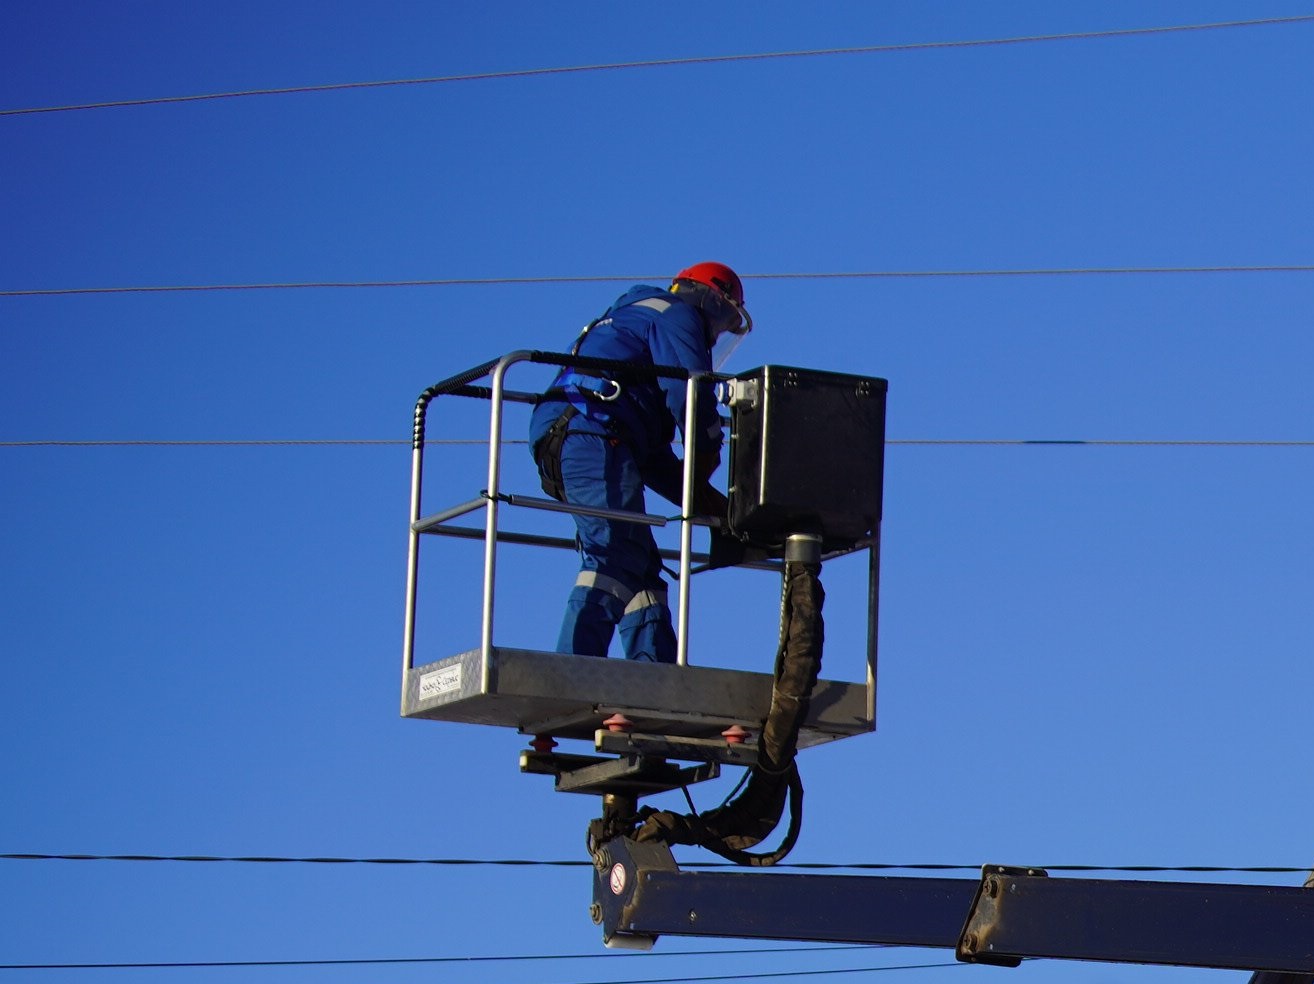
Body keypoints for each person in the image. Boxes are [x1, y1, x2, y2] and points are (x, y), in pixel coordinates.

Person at [529, 262, 752, 663]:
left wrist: (709, 503)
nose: (717, 333)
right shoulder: (678, 315)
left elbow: (651, 459)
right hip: (590, 430)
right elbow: (692, 394)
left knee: (642, 567)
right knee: (614, 553)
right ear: (708, 300)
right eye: (723, 319)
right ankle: (572, 670)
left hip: (588, 431)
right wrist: (708, 452)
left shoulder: (641, 318)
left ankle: (654, 679)